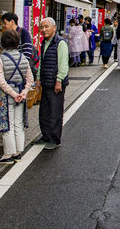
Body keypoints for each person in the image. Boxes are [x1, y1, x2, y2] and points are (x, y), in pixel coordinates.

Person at [0, 29, 34, 164]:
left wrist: (13, 93)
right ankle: (18, 152)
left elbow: (1, 81)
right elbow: (30, 78)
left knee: (7, 125)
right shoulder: (23, 58)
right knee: (19, 124)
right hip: (21, 95)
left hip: (7, 97)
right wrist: (24, 92)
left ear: (3, 43)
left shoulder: (0, 59)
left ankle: (8, 154)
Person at [35, 18, 69, 150]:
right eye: (42, 27)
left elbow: (63, 65)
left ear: (54, 27)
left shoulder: (60, 43)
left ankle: (55, 139)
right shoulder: (45, 42)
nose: (44, 30)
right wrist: (38, 78)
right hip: (46, 82)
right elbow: (41, 62)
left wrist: (59, 80)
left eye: (47, 27)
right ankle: (46, 136)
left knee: (55, 112)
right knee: (44, 112)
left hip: (56, 83)